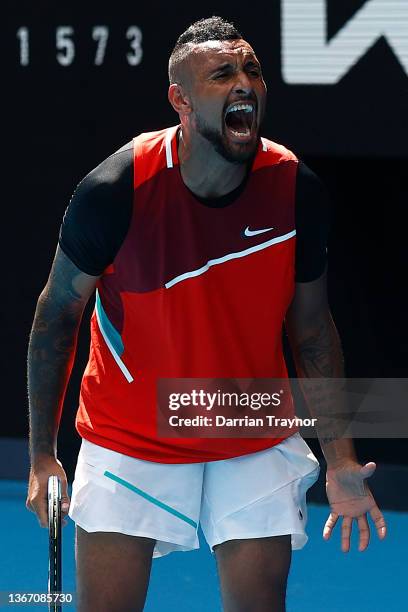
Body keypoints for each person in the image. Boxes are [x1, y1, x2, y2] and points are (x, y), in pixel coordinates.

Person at [26, 16, 387, 612]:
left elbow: (313, 329)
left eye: (252, 70)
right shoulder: (117, 189)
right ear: (181, 100)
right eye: (222, 73)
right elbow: (56, 313)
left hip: (248, 424)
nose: (244, 83)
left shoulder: (296, 188)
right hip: (130, 431)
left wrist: (341, 457)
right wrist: (41, 452)